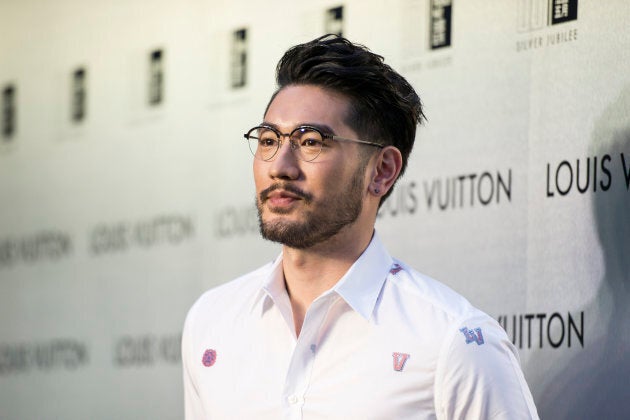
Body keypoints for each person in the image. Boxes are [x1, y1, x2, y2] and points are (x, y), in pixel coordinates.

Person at [182, 34, 539, 419]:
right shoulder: (212, 320)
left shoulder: (456, 342)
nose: (279, 166)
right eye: (269, 140)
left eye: (311, 141)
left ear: (382, 171)